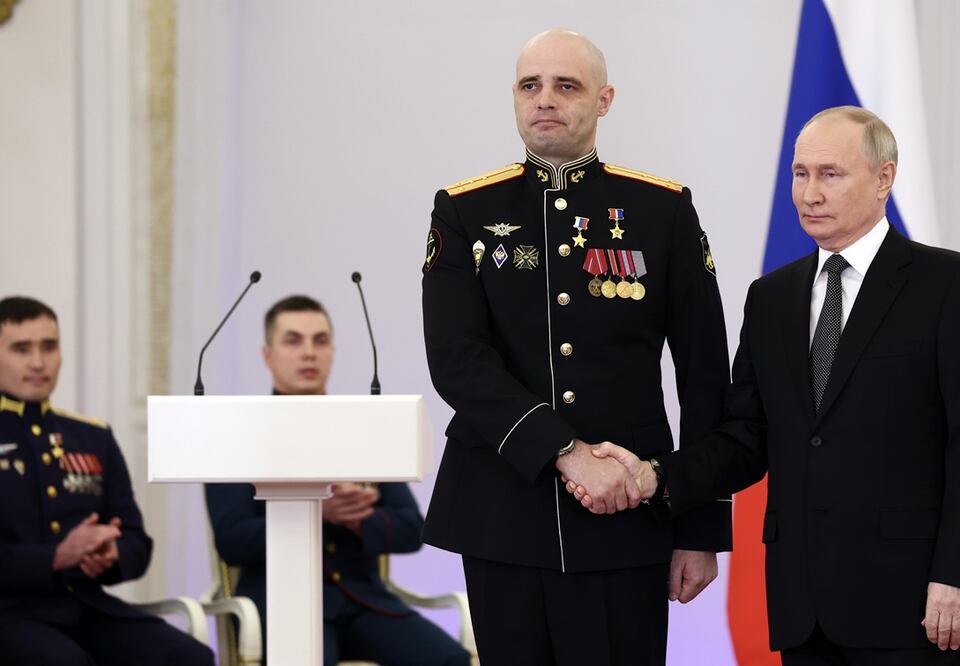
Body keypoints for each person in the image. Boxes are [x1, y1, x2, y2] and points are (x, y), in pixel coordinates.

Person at [571, 106, 960, 666]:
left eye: (830, 174)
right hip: (803, 607)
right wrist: (654, 475)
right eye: (800, 174)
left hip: (915, 602)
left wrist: (959, 574)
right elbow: (745, 438)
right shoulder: (771, 298)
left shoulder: (951, 285)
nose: (810, 193)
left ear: (884, 178)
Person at [421, 28, 732, 665]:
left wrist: (699, 526)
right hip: (504, 510)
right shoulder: (464, 210)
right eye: (530, 86)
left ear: (603, 100)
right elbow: (457, 360)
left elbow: (704, 374)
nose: (545, 99)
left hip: (626, 513)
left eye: (567, 86)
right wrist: (563, 451)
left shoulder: (662, 210)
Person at [205, 295, 469, 666]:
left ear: (332, 351)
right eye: (293, 341)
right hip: (280, 603)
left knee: (451, 661)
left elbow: (411, 530)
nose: (309, 353)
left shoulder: (361, 430)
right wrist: (317, 512)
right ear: (267, 355)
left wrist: (358, 518)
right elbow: (232, 541)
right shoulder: (239, 435)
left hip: (365, 603)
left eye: (320, 341)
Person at [0, 296, 214, 665]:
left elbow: (136, 541)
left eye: (49, 347)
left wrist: (112, 555)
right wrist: (55, 558)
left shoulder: (92, 436)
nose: (38, 362)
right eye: (22, 349)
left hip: (85, 606)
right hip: (10, 614)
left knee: (188, 657)